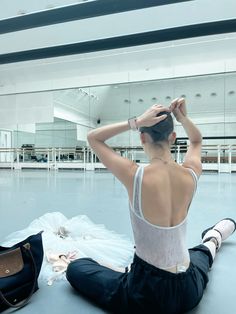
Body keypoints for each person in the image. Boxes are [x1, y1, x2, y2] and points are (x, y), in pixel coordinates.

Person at [66, 98, 236, 314]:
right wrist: (182, 118)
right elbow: (196, 141)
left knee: (76, 269)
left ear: (142, 137)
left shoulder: (135, 175)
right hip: (189, 290)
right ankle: (214, 237)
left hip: (146, 295)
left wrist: (135, 121)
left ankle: (212, 239)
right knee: (201, 256)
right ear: (173, 137)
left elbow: (93, 138)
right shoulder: (190, 173)